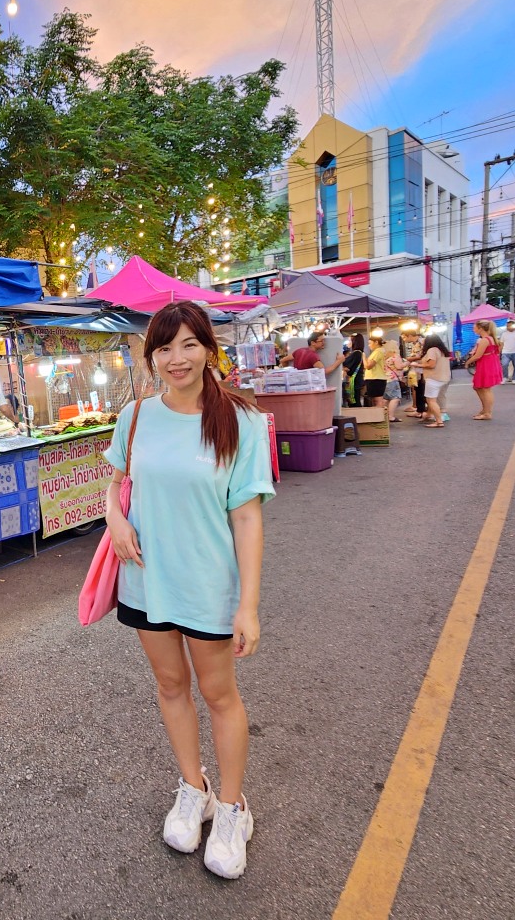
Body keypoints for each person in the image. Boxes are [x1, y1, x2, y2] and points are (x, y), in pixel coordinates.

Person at [104, 300, 273, 880]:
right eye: (164, 348)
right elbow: (116, 483)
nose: (176, 359)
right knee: (170, 685)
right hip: (146, 579)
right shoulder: (136, 417)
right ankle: (193, 788)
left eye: (188, 345)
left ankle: (231, 808)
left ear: (208, 349)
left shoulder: (242, 421)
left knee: (219, 694)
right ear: (152, 356)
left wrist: (248, 604)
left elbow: (247, 517)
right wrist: (116, 521)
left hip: (207, 585)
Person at [463, 320, 503, 419]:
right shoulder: (490, 338)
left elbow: (478, 355)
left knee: (485, 389)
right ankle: (485, 410)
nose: (473, 329)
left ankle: (487, 412)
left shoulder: (485, 340)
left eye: (474, 327)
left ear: (480, 328)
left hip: (486, 365)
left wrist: (468, 362)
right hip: (489, 363)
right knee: (478, 387)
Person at [408, 334, 451, 427]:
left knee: (431, 400)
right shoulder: (442, 351)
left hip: (434, 378)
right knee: (433, 399)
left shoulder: (432, 350)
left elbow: (431, 365)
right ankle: (429, 415)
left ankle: (439, 421)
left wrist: (417, 365)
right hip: (444, 378)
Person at [277, 331, 345, 376]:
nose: (324, 343)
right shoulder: (313, 356)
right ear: (313, 343)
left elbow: (283, 360)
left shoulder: (299, 351)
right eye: (321, 341)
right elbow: (323, 372)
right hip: (309, 386)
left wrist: (290, 372)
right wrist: (338, 361)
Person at [362, 334, 391, 416]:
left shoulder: (378, 351)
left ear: (376, 342)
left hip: (375, 378)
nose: (369, 345)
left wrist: (364, 357)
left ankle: (379, 417)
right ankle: (379, 417)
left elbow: (368, 366)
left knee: (377, 400)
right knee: (377, 399)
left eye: (370, 343)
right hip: (376, 378)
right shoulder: (379, 351)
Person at [382, 341, 407, 421]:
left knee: (385, 399)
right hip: (393, 379)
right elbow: (399, 366)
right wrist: (407, 362)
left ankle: (382, 416)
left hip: (385, 379)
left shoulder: (385, 356)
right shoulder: (395, 356)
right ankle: (391, 416)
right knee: (395, 398)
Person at [342, 334, 366, 407]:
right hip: (357, 381)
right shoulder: (359, 353)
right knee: (355, 400)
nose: (348, 342)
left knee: (354, 402)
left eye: (349, 340)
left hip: (354, 382)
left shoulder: (356, 353)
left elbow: (345, 364)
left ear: (354, 341)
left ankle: (358, 417)